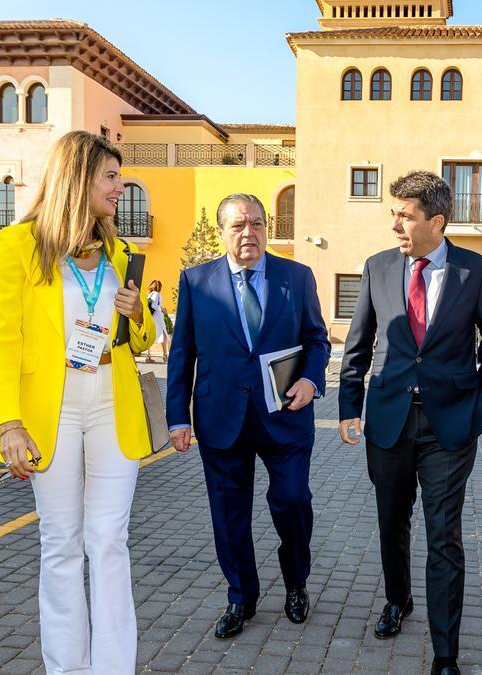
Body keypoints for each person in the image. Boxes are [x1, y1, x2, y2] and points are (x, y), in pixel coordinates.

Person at [0, 130, 155, 674]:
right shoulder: (21, 245)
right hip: (50, 406)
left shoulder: (121, 251)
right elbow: (0, 337)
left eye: (120, 179)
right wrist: (7, 422)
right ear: (78, 178)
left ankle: (113, 668)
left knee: (109, 540)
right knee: (61, 543)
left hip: (111, 398)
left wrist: (135, 315)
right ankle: (67, 669)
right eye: (110, 177)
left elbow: (143, 341)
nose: (120, 189)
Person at [338, 171, 482, 675]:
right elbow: (358, 343)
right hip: (388, 422)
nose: (396, 225)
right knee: (392, 520)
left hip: (448, 427)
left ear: (435, 222)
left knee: (443, 535)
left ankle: (445, 653)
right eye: (394, 214)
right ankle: (398, 599)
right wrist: (350, 406)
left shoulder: (473, 270)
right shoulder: (377, 268)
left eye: (405, 216)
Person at [166, 193, 329, 639]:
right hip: (222, 418)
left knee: (293, 501)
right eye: (238, 225)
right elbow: (182, 354)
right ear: (221, 232)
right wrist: (177, 417)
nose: (248, 233)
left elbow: (317, 340)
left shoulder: (296, 277)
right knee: (228, 514)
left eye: (256, 223)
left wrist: (312, 381)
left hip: (286, 415)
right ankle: (241, 595)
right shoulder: (197, 282)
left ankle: (296, 581)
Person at [144, 279, 168, 363]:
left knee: (152, 336)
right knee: (164, 335)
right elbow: (153, 305)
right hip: (157, 318)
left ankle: (149, 355)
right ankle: (164, 355)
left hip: (152, 317)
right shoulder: (156, 294)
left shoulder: (149, 294)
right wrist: (162, 309)